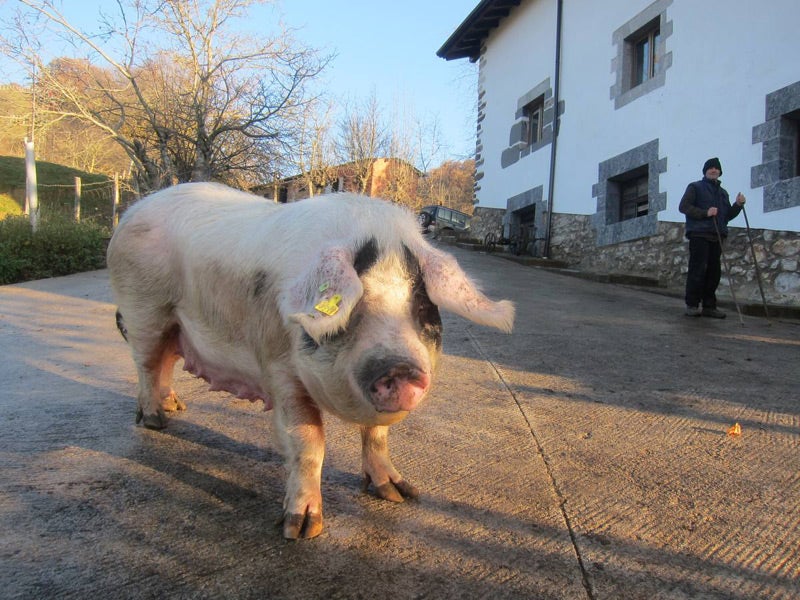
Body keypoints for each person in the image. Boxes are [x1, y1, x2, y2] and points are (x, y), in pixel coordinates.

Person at [678, 157, 746, 318]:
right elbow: (684, 207)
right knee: (698, 269)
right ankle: (692, 305)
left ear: (720, 172)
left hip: (717, 235)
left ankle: (709, 306)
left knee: (714, 272)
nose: (714, 170)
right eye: (710, 168)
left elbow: (726, 216)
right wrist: (705, 213)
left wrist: (738, 205)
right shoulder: (695, 187)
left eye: (716, 168)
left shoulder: (723, 193)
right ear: (705, 171)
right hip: (699, 234)